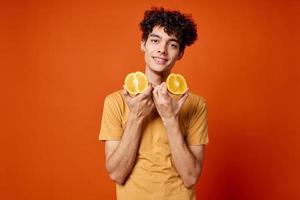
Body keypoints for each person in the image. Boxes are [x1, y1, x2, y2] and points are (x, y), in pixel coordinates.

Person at [99, 7, 209, 200]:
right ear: (143, 44)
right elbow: (116, 174)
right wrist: (136, 116)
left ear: (181, 52)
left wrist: (171, 119)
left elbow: (191, 177)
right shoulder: (115, 102)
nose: (162, 50)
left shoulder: (195, 105)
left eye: (172, 44)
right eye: (155, 40)